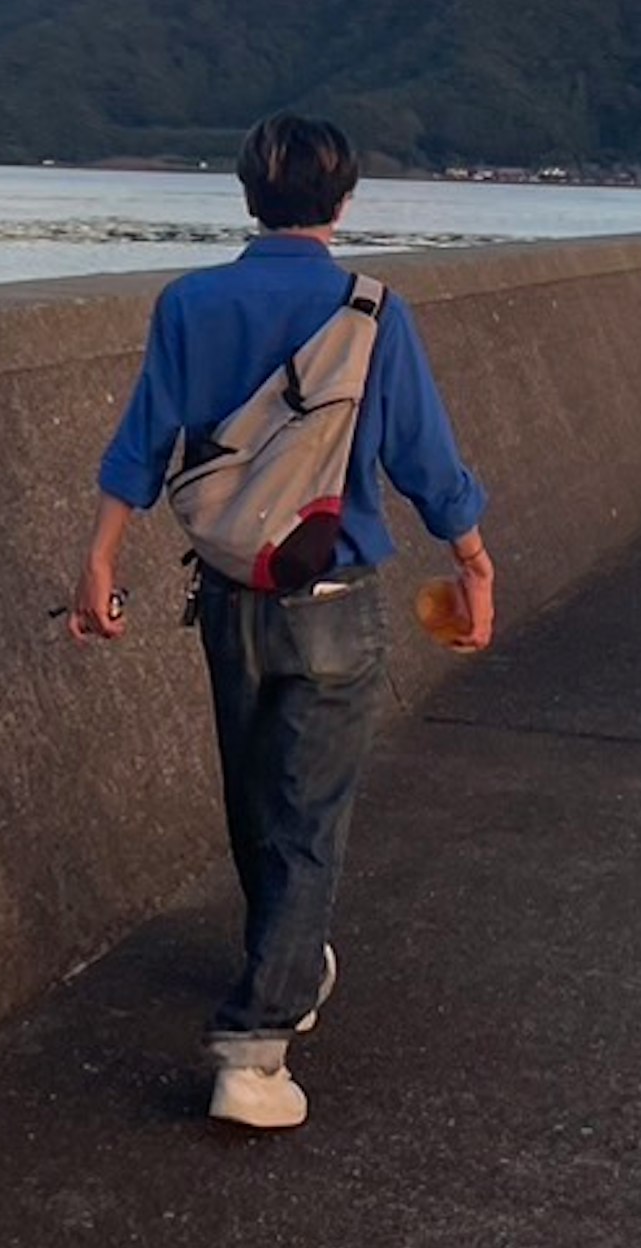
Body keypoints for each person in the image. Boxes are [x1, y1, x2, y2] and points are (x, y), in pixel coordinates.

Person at [64, 112, 496, 1131]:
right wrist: (473, 560)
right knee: (310, 819)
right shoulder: (372, 310)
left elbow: (144, 442)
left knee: (257, 801)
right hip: (335, 603)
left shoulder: (189, 303)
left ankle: (288, 958)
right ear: (343, 201)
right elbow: (423, 461)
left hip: (227, 601)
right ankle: (254, 1052)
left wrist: (99, 556)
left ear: (247, 195)